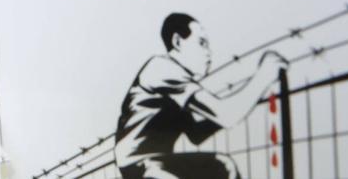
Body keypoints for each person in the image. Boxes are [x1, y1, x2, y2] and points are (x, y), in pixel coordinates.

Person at [113, 13, 288, 179]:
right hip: (139, 164)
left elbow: (195, 134)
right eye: (202, 43)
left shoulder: (178, 85)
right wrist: (263, 77)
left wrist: (237, 106)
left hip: (149, 162)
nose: (209, 53)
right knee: (222, 166)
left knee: (223, 166)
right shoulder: (162, 69)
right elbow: (226, 115)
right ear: (178, 42)